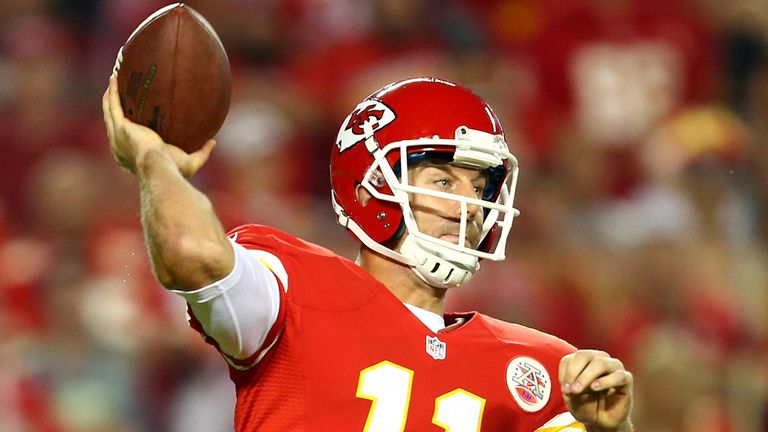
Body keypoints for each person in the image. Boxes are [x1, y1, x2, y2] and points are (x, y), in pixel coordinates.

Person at [102, 75, 634, 431]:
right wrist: (153, 160)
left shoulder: (541, 366)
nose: (469, 205)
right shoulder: (295, 289)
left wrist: (611, 430)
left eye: (481, 186)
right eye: (441, 178)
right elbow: (190, 253)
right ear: (368, 188)